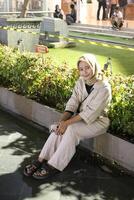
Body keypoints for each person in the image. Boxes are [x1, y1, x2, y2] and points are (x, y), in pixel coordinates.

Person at [23, 53, 112, 180]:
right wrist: (62, 122)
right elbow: (73, 102)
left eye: (88, 67)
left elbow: (89, 113)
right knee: (61, 127)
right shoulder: (81, 82)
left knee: (71, 130)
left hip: (98, 122)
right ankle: (41, 159)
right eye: (81, 69)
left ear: (94, 67)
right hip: (80, 119)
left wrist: (67, 124)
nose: (84, 72)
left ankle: (54, 165)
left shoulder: (104, 88)